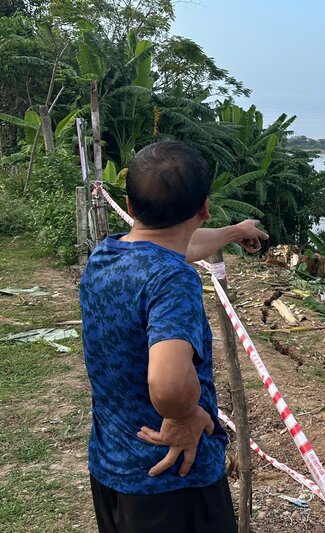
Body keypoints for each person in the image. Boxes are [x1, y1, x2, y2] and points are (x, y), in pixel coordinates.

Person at [79, 140, 268, 532]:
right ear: (204, 208)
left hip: (114, 468)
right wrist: (184, 415)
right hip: (174, 482)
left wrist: (235, 232)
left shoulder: (108, 254)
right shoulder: (171, 279)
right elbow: (166, 384)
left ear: (130, 206)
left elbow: (178, 244)